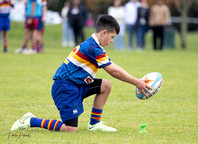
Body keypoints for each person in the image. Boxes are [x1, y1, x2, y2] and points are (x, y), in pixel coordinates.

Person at [11, 15, 151, 132]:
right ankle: (30, 120)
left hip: (77, 84)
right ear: (104, 33)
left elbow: (113, 66)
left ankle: (94, 124)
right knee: (70, 129)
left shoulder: (95, 46)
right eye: (112, 37)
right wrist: (136, 82)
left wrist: (136, 80)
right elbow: (113, 71)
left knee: (106, 86)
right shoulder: (92, 48)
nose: (111, 41)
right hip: (65, 87)